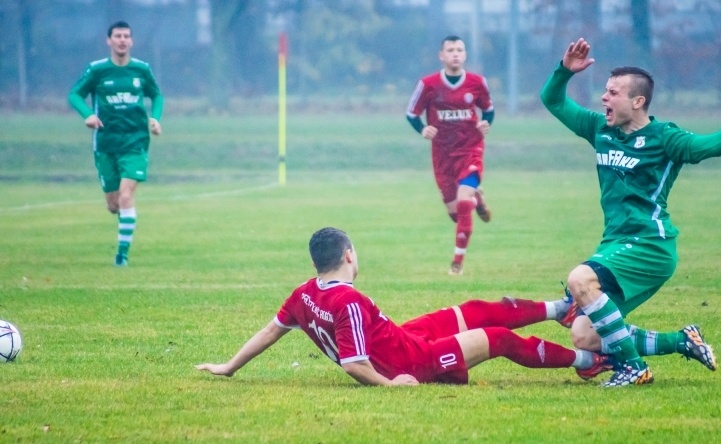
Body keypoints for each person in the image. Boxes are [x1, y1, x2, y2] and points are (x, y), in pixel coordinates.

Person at [540, 38, 721, 387]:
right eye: (605, 91)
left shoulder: (664, 137)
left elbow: (703, 147)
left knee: (580, 279)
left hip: (649, 246)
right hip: (616, 244)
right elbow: (552, 100)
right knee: (585, 335)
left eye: (613, 93)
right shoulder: (600, 129)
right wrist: (564, 71)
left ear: (637, 101)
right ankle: (681, 340)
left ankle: (633, 367)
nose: (603, 98)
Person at [195, 227, 611, 386]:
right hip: (413, 361)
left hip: (401, 337)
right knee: (498, 339)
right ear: (350, 255)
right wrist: (390, 385)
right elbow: (355, 364)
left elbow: (271, 330)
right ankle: (585, 360)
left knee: (469, 311)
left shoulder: (305, 292)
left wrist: (229, 366)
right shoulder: (350, 301)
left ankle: (563, 309)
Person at [68, 20, 164, 267]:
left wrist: (155, 118)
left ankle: (122, 256)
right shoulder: (97, 70)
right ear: (108, 40)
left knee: (125, 195)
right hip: (106, 143)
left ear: (131, 41)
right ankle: (125, 215)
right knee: (113, 204)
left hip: (135, 141)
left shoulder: (141, 70)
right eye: (117, 36)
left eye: (126, 36)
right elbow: (75, 94)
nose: (122, 40)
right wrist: (87, 114)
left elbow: (156, 94)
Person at [406, 35, 495, 276]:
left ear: (464, 55)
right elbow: (411, 114)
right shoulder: (428, 84)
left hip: (470, 150)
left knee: (464, 205)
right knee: (457, 214)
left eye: (459, 50)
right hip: (442, 155)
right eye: (450, 50)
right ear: (441, 55)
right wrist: (423, 128)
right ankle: (478, 198)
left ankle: (457, 264)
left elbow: (488, 109)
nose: (455, 54)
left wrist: (486, 123)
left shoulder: (477, 83)